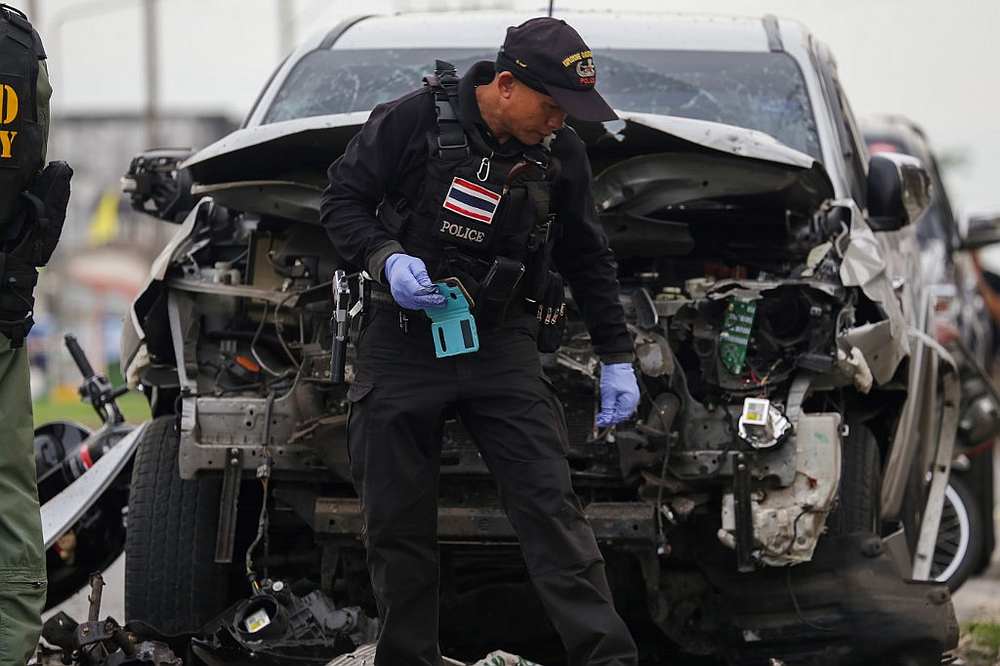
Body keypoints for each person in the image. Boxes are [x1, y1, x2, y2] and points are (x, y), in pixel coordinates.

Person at [321, 17, 640, 666]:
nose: (559, 121)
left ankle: (607, 659)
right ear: (504, 86)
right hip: (401, 340)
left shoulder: (562, 154)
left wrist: (616, 356)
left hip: (500, 347)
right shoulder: (411, 120)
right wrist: (385, 258)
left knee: (551, 508)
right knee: (397, 528)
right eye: (552, 106)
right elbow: (341, 204)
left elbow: (587, 256)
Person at [0, 4, 72, 663]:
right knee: (8, 487)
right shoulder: (18, 43)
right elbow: (33, 172)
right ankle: (11, 645)